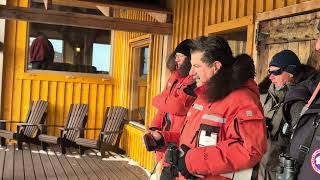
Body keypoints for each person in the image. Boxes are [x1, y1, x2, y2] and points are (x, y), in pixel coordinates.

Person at [147, 36, 267, 179]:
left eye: (197, 66)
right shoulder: (205, 95)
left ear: (216, 66)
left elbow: (250, 151)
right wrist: (165, 139)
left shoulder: (242, 100)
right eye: (191, 65)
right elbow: (193, 139)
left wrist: (192, 161)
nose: (191, 73)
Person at [145, 39, 196, 179]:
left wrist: (156, 100)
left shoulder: (193, 81)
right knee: (161, 169)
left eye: (181, 56)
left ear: (190, 59)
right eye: (176, 55)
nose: (177, 59)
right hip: (164, 137)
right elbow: (164, 109)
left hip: (178, 139)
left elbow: (179, 106)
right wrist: (154, 127)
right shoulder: (174, 77)